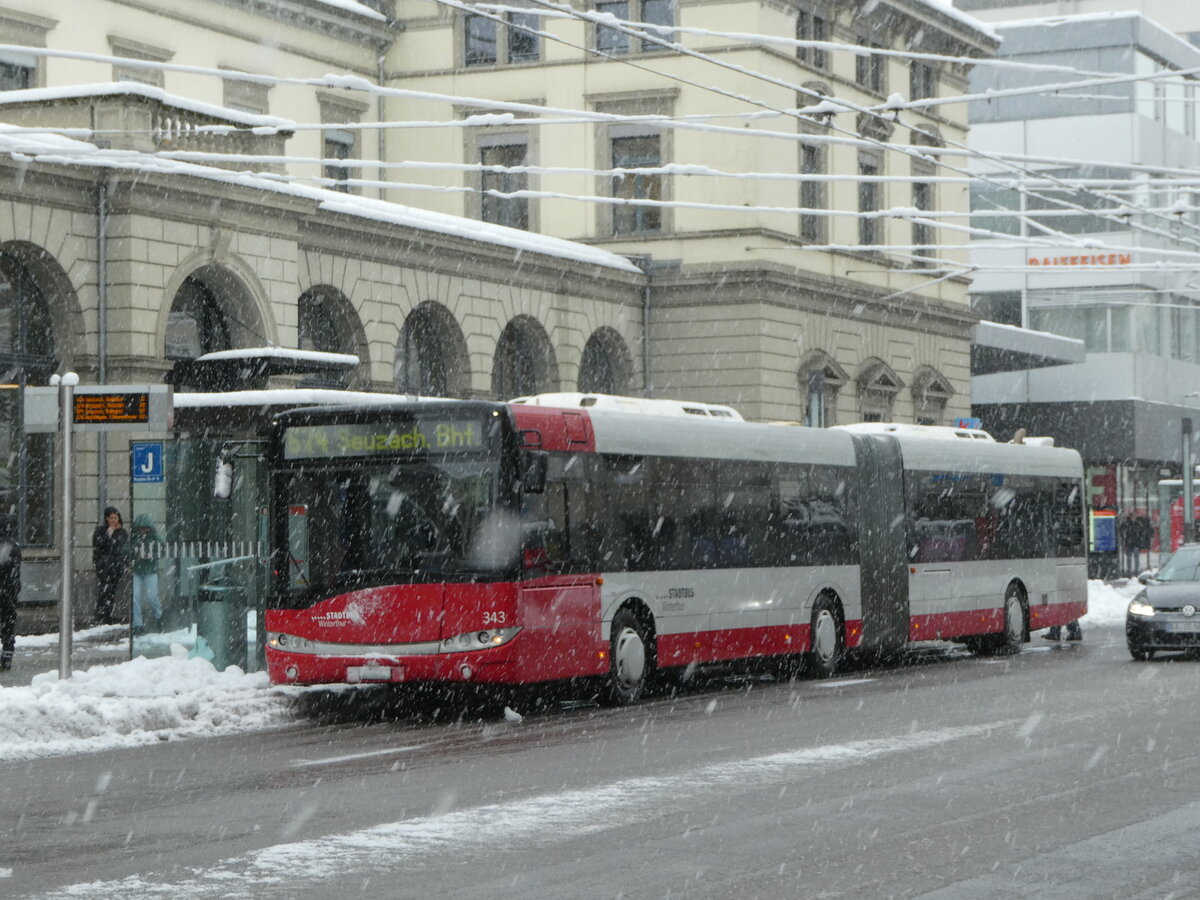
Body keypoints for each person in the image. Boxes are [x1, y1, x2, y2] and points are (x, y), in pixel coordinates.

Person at [92, 506, 129, 626]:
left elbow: (123, 549)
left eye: (115, 518)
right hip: (104, 566)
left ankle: (107, 615)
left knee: (112, 591)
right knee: (104, 590)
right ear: (107, 519)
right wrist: (109, 534)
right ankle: (101, 615)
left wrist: (125, 563)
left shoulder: (122, 532)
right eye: (111, 518)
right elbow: (100, 545)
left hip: (116, 566)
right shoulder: (101, 531)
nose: (113, 520)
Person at [130, 514, 162, 634]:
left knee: (152, 596)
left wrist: (153, 556)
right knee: (135, 597)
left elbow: (162, 550)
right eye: (141, 528)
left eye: (145, 528)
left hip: (150, 571)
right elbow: (126, 550)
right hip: (137, 571)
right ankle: (138, 624)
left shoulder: (154, 538)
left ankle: (159, 616)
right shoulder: (134, 539)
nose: (143, 530)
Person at [0, 515, 20, 670]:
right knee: (8, 626)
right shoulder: (13, 544)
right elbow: (16, 570)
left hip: (5, 590)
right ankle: (7, 656)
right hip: (7, 593)